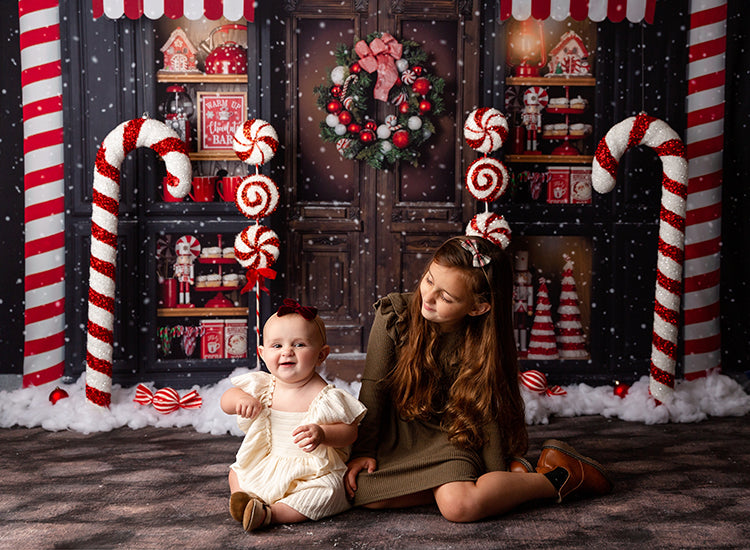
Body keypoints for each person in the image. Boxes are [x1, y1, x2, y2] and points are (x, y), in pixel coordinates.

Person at [344, 236, 612, 522]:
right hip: (399, 436)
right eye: (429, 280)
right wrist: (363, 450)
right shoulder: (394, 315)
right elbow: (374, 387)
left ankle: (560, 476)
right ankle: (500, 482)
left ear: (478, 307)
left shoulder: (480, 341)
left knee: (459, 507)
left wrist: (495, 469)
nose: (429, 297)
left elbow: (483, 410)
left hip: (452, 435)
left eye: (446, 297)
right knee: (363, 494)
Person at [221, 299, 367, 532]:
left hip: (311, 471)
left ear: (321, 355)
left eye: (299, 345)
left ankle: (271, 514)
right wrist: (240, 400)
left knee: (329, 492)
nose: (287, 351)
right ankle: (243, 499)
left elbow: (350, 432)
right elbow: (226, 400)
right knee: (237, 471)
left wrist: (323, 433)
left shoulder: (325, 396)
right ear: (262, 353)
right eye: (276, 346)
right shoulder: (263, 386)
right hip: (268, 461)